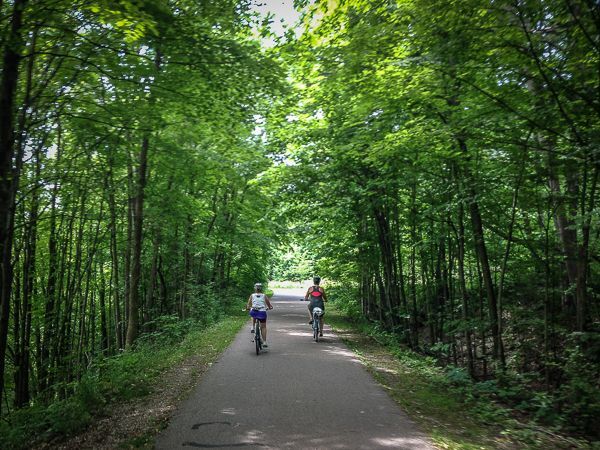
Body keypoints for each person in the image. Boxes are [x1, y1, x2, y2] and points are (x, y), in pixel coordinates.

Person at [246, 283, 273, 347]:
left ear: (255, 288)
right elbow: (269, 305)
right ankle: (264, 342)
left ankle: (252, 327)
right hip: (262, 312)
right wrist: (269, 307)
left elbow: (248, 304)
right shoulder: (264, 295)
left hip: (254, 312)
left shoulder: (252, 295)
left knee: (252, 313)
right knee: (263, 327)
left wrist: (248, 307)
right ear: (261, 289)